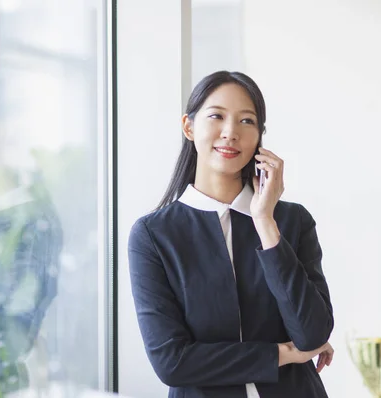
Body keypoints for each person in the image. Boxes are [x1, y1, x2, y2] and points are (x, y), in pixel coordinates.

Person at [128, 71, 334, 398]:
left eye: (247, 121)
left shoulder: (292, 220)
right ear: (189, 126)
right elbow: (172, 362)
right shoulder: (153, 235)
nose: (230, 132)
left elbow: (312, 335)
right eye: (217, 116)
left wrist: (265, 221)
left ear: (259, 137)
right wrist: (281, 354)